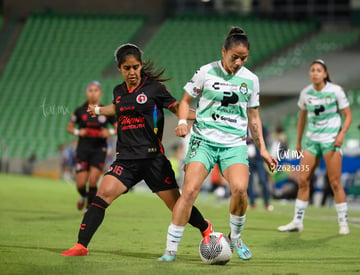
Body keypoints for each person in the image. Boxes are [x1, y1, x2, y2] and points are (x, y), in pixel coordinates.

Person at [61, 43, 212, 256]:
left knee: (177, 206)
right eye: (127, 68)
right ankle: (81, 245)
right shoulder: (118, 91)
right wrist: (99, 110)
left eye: (135, 67)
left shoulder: (155, 88)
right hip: (126, 160)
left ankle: (206, 228)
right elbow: (120, 106)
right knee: (102, 194)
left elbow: (178, 108)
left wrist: (203, 117)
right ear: (120, 69)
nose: (132, 72)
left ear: (141, 66)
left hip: (153, 160)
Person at [158, 26, 277, 262]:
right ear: (224, 52)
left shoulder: (251, 80)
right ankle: (171, 249)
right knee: (190, 190)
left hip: (234, 144)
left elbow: (253, 117)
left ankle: (236, 238)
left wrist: (262, 149)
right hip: (203, 140)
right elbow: (185, 101)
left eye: (244, 58)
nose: (239, 62)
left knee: (241, 190)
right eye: (235, 57)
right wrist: (182, 121)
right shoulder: (206, 72)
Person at [277, 59, 352, 235]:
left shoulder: (336, 91)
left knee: (335, 182)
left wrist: (341, 135)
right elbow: (302, 118)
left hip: (331, 140)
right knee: (303, 181)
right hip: (311, 141)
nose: (315, 73)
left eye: (319, 70)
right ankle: (297, 222)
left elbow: (348, 116)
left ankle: (343, 223)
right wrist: (298, 141)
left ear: (325, 74)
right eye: (312, 70)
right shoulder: (305, 93)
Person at [67, 81, 117, 211]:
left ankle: (89, 209)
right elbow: (70, 128)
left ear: (100, 93)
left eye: (96, 90)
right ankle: (84, 196)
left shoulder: (105, 111)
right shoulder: (80, 111)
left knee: (93, 180)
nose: (93, 93)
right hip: (83, 149)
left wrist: (109, 132)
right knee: (81, 184)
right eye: (90, 90)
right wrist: (79, 131)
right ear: (86, 93)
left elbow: (119, 128)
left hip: (99, 149)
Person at [247, 129, 273, 211]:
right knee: (249, 183)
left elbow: (265, 141)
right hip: (247, 159)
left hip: (259, 159)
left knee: (263, 181)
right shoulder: (242, 125)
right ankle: (252, 203)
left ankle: (267, 203)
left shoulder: (261, 126)